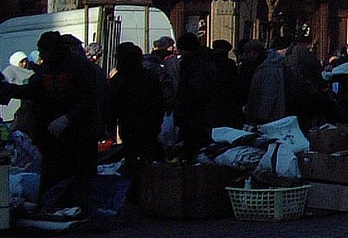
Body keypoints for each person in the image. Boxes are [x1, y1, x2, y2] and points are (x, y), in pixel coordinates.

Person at [0, 32, 102, 214]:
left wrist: (69, 118)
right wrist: (9, 90)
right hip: (53, 136)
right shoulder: (47, 69)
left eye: (43, 52)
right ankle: (52, 209)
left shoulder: (79, 67)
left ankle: (84, 211)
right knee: (52, 176)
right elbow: (34, 91)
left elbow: (91, 98)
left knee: (81, 177)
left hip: (80, 134)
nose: (40, 57)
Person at [105, 41, 164, 174]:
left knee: (130, 157)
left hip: (128, 125)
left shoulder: (118, 79)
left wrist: (110, 125)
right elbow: (159, 103)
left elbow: (112, 105)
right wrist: (157, 123)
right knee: (148, 159)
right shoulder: (149, 77)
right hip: (148, 124)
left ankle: (132, 185)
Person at [173, 32, 219, 157]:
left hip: (194, 117)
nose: (178, 53)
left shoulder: (194, 66)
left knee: (193, 148)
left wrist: (182, 112)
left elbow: (194, 93)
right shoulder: (203, 62)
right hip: (201, 116)